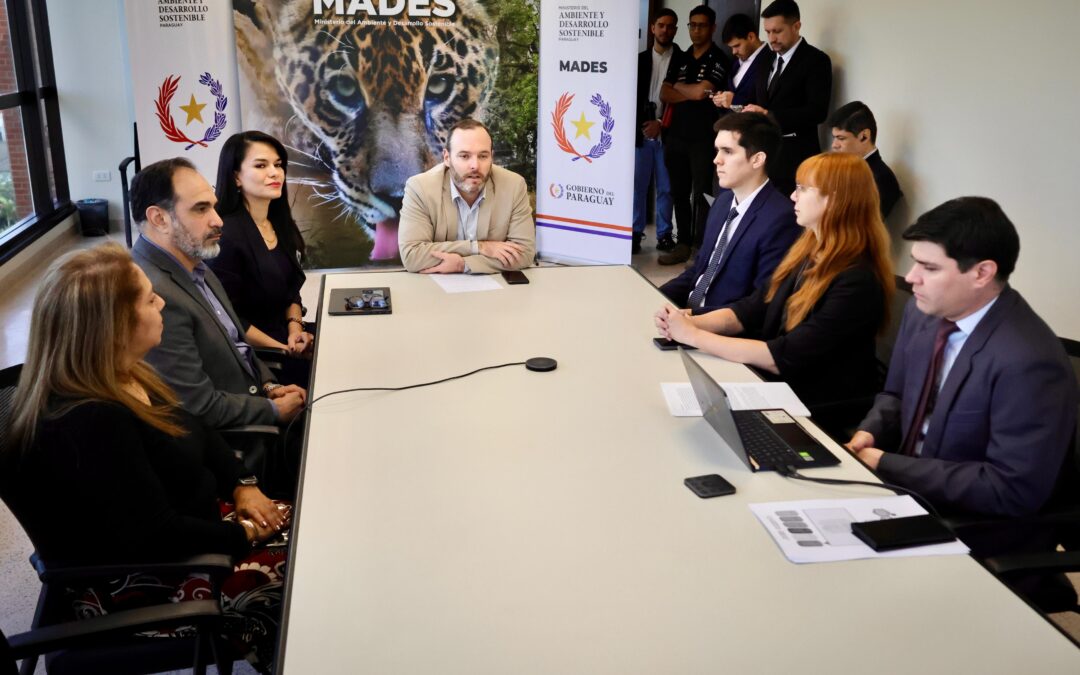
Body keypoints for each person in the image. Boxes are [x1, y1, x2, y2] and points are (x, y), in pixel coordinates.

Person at [0, 242, 290, 670]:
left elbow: (199, 430)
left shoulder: (122, 372)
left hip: (194, 532)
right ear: (116, 325)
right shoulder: (93, 420)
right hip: (149, 580)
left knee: (319, 529)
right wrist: (244, 534)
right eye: (150, 298)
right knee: (310, 579)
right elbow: (159, 534)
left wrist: (242, 485)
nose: (160, 304)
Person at [846, 197, 1076, 517]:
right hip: (901, 490)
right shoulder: (922, 310)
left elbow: (1010, 488)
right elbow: (895, 394)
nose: (911, 278)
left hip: (971, 524)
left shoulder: (1028, 361)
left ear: (982, 273)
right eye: (915, 262)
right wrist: (869, 432)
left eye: (930, 268)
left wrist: (887, 463)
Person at [656, 152, 893, 434]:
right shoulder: (807, 252)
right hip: (782, 386)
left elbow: (783, 356)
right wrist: (690, 320)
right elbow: (754, 308)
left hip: (818, 405)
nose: (793, 197)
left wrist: (694, 336)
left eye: (803, 189)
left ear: (835, 199)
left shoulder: (857, 280)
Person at [130, 157, 306, 430]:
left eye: (212, 206)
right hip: (239, 440)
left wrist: (270, 384)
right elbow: (195, 405)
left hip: (252, 396)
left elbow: (236, 345)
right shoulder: (153, 295)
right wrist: (270, 409)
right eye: (201, 209)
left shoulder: (195, 263)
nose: (218, 220)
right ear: (159, 218)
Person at [659, 113, 799, 314]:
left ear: (757, 159)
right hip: (688, 316)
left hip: (721, 332)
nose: (717, 160)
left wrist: (691, 318)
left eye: (727, 151)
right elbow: (700, 270)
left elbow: (760, 303)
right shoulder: (723, 202)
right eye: (717, 151)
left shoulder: (781, 218)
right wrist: (656, 296)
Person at [208, 131, 313, 367]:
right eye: (261, 165)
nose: (275, 172)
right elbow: (228, 318)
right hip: (257, 356)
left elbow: (290, 290)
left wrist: (296, 329)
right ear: (236, 177)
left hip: (286, 336)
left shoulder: (279, 223)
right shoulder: (226, 237)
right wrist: (285, 349)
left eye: (278, 164)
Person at [398, 118, 535, 274]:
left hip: (495, 291)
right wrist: (480, 247)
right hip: (435, 291)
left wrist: (463, 264)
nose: (475, 165)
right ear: (447, 158)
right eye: (464, 156)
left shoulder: (513, 186)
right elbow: (412, 256)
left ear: (492, 157)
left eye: (483, 156)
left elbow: (524, 253)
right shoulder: (420, 188)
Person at [658, 4, 730, 265]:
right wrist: (689, 90)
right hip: (676, 136)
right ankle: (683, 243)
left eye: (701, 25)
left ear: (712, 28)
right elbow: (664, 93)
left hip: (703, 137)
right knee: (678, 191)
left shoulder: (719, 58)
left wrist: (680, 88)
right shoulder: (680, 55)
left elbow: (703, 92)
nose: (695, 30)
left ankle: (701, 246)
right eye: (692, 25)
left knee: (700, 193)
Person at [744, 0, 832, 196]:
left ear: (796, 26)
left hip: (796, 158)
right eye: (767, 32)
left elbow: (817, 111)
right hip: (762, 156)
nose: (771, 38)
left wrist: (770, 115)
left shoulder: (816, 61)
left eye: (777, 31)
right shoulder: (765, 57)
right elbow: (759, 99)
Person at [634, 9, 680, 255]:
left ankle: (664, 235)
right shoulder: (638, 60)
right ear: (653, 28)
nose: (665, 30)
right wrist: (645, 124)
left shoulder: (683, 60)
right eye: (661, 25)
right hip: (640, 135)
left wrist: (661, 123)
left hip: (668, 134)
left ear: (675, 29)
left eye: (670, 26)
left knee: (666, 187)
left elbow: (683, 100)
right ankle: (633, 233)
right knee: (636, 186)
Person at [828, 101, 903, 219]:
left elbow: (860, 228)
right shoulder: (842, 167)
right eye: (834, 138)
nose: (834, 145)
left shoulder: (881, 179)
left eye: (841, 138)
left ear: (864, 136)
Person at [711, 13, 768, 111]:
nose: (733, 52)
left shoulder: (770, 59)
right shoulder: (737, 62)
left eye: (737, 46)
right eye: (731, 47)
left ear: (751, 37)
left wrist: (734, 101)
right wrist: (722, 99)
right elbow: (732, 94)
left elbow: (766, 104)